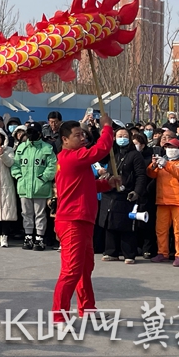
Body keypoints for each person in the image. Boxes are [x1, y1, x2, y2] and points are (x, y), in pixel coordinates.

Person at [51, 116, 120, 325]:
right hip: (73, 221)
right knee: (71, 270)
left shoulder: (73, 161)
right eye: (77, 135)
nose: (82, 138)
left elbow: (87, 185)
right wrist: (107, 128)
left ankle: (87, 308)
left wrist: (107, 184)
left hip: (82, 219)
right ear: (64, 140)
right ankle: (58, 315)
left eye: (83, 134)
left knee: (84, 268)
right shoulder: (73, 157)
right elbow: (100, 149)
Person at [96, 128, 147, 264]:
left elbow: (141, 175)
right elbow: (99, 157)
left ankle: (129, 254)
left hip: (126, 193)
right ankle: (111, 251)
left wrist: (137, 191)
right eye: (119, 135)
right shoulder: (112, 152)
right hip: (110, 191)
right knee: (109, 222)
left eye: (125, 135)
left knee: (126, 225)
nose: (122, 138)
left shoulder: (135, 155)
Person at [147, 138, 179, 266]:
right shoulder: (162, 162)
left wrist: (166, 164)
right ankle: (162, 253)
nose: (170, 150)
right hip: (163, 200)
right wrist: (154, 165)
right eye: (168, 147)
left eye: (173, 148)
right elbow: (150, 174)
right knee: (161, 229)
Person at [11, 122, 57, 251]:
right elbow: (15, 165)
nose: (30, 135)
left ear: (40, 134)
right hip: (24, 187)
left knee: (40, 214)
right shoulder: (21, 148)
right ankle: (28, 236)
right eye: (28, 132)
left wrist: (43, 178)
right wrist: (19, 177)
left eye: (33, 132)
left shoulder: (47, 148)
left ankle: (39, 238)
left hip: (41, 187)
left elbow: (52, 165)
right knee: (26, 213)